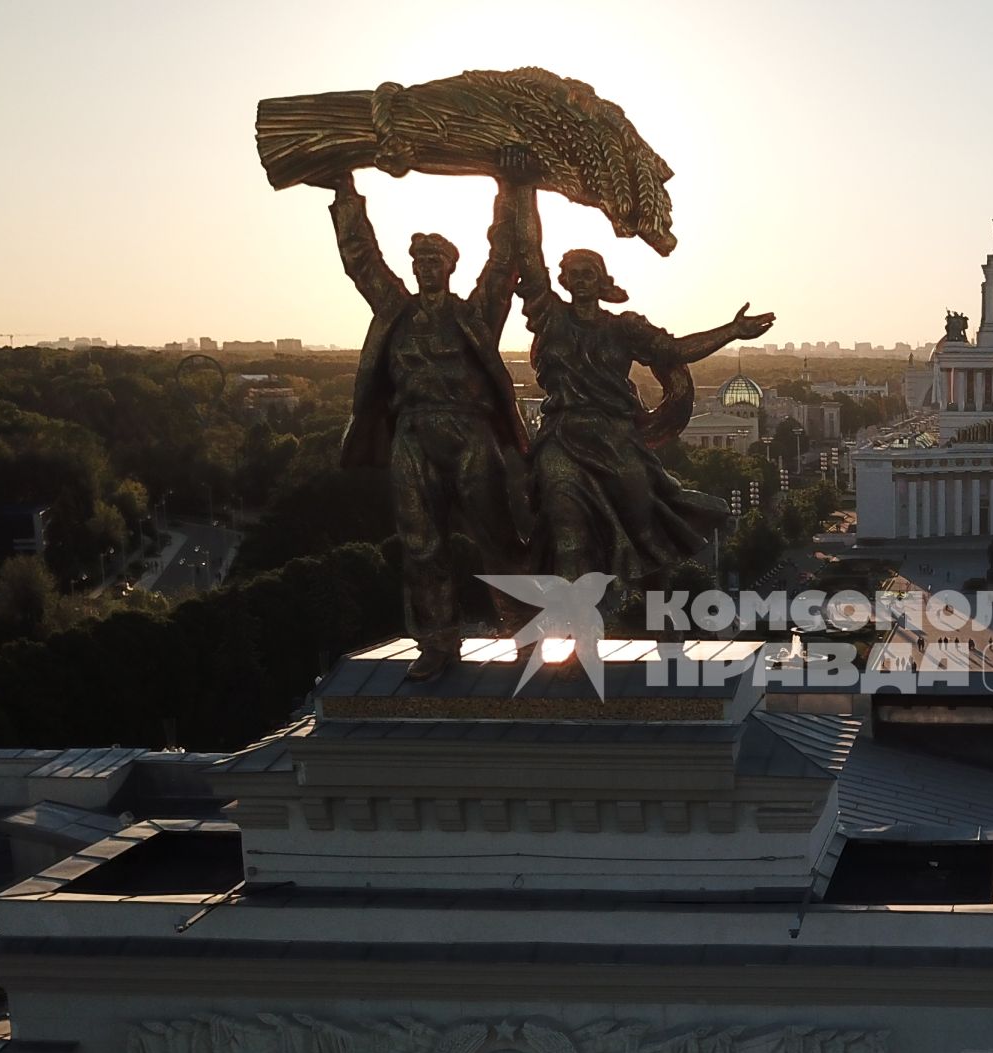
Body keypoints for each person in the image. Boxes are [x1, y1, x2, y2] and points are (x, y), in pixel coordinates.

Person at [319, 150, 533, 681]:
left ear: (450, 266)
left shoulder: (475, 313)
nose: (424, 269)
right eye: (418, 263)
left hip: (470, 436)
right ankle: (438, 640)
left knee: (496, 539)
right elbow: (360, 259)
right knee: (421, 544)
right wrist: (343, 190)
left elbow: (504, 258)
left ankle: (526, 634)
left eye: (433, 261)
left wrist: (511, 185)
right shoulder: (396, 309)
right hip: (413, 437)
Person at [510, 186, 774, 593]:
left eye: (589, 274)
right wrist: (521, 187)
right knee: (568, 538)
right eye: (574, 274)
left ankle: (659, 619)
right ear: (562, 281)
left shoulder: (624, 327)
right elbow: (528, 252)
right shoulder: (549, 316)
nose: (580, 281)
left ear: (602, 282)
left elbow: (674, 350)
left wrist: (732, 331)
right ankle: (573, 639)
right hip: (562, 438)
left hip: (616, 440)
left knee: (646, 530)